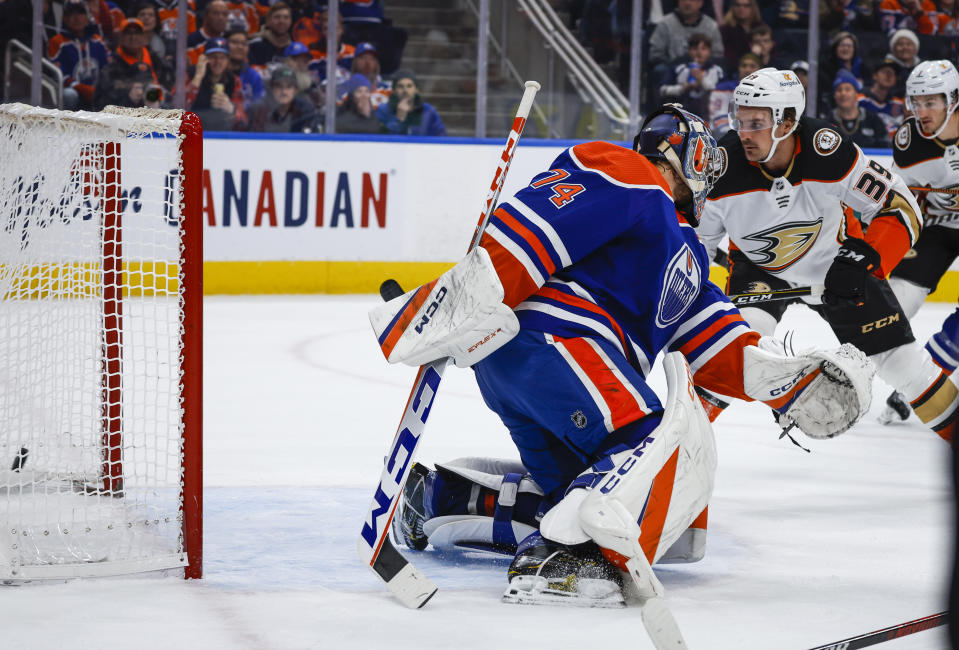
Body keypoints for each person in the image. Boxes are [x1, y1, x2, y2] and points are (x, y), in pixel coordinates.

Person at [369, 105, 873, 609]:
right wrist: (457, 303)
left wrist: (789, 384)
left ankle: (442, 499)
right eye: (702, 156)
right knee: (656, 454)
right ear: (680, 151)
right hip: (559, 342)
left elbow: (718, 345)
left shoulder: (688, 252)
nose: (707, 176)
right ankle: (563, 560)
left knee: (623, 511)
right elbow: (534, 229)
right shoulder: (629, 171)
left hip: (540, 372)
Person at [697, 67, 957, 443]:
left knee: (907, 368)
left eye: (756, 121)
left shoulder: (828, 151)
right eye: (740, 120)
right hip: (759, 271)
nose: (743, 133)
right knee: (732, 360)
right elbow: (694, 252)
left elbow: (901, 206)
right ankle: (666, 455)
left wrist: (865, 258)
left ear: (787, 123)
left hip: (838, 267)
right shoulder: (720, 169)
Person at [880, 62, 959, 424]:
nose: (922, 112)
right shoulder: (909, 142)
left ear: (953, 100)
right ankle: (856, 375)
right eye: (916, 102)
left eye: (932, 102)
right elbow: (903, 198)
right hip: (938, 226)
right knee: (894, 302)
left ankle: (923, 379)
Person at [48, 0, 110, 110]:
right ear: (64, 18)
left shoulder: (98, 41)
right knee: (70, 95)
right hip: (72, 91)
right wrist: (81, 88)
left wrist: (100, 89)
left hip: (96, 91)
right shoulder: (57, 42)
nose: (76, 18)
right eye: (71, 13)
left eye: (80, 13)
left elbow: (108, 68)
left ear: (87, 17)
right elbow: (57, 74)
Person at [93, 18, 160, 109]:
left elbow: (172, 92)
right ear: (120, 37)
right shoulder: (110, 68)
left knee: (184, 117)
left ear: (144, 37)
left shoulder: (157, 60)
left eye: (137, 33)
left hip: (156, 114)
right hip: (123, 118)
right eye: (128, 33)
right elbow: (99, 106)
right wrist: (128, 99)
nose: (133, 37)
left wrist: (159, 100)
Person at [186, 37, 248, 131]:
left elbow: (243, 122)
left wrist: (231, 109)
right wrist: (198, 78)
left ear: (228, 61)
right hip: (192, 132)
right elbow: (177, 110)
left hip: (221, 135)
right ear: (204, 59)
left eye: (222, 57)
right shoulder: (190, 74)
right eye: (213, 57)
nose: (218, 62)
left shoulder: (233, 80)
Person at [659, 33, 724, 117]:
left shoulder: (717, 71)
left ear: (709, 51)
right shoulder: (678, 69)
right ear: (689, 51)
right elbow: (662, 90)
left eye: (703, 49)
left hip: (709, 114)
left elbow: (723, 94)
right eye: (695, 49)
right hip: (680, 113)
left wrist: (702, 80)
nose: (699, 53)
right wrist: (682, 88)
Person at [828, 71, 891, 148]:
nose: (843, 93)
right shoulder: (828, 121)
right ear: (834, 95)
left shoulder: (872, 119)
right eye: (839, 90)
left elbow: (887, 146)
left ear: (856, 94)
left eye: (847, 89)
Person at [247, 65, 318, 132]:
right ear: (272, 88)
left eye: (289, 87)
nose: (284, 92)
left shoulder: (306, 111)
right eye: (279, 86)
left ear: (295, 90)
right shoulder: (258, 110)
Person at [648, 0, 724, 63]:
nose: (687, 3)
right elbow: (655, 54)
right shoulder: (665, 24)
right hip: (672, 72)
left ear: (700, 3)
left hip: (706, 73)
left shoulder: (711, 26)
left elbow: (717, 55)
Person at [375, 70, 446, 136]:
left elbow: (441, 137)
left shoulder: (428, 111)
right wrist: (400, 120)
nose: (405, 90)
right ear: (394, 90)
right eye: (400, 86)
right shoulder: (383, 110)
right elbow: (382, 141)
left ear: (416, 90)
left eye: (409, 86)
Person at [708, 52, 761, 137]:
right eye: (744, 66)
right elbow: (717, 117)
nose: (747, 70)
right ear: (739, 68)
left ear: (759, 70)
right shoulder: (722, 89)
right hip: (726, 133)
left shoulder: (767, 91)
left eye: (752, 66)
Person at [859, 60, 906, 138]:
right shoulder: (859, 100)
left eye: (892, 73)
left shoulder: (899, 104)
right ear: (874, 76)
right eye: (885, 72)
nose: (889, 76)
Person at [225, 27, 265, 110]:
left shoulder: (254, 76)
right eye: (234, 42)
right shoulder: (215, 72)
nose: (240, 47)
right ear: (224, 44)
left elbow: (259, 108)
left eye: (244, 44)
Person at [719, 0, 765, 68]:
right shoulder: (725, 29)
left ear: (753, 8)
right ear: (732, 7)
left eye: (746, 6)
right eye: (737, 5)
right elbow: (727, 55)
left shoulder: (761, 26)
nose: (741, 8)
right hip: (734, 67)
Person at [248, 1, 292, 66]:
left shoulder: (293, 47)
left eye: (286, 17)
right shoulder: (255, 45)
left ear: (290, 21)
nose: (282, 21)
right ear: (268, 20)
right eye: (277, 17)